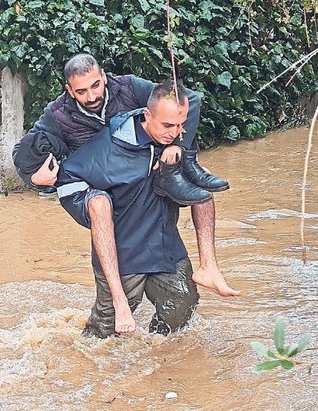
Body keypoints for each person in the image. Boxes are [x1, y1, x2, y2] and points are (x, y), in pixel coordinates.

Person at [13, 53, 238, 298]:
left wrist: (180, 147)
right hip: (103, 188)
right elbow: (22, 152)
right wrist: (34, 178)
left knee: (199, 180)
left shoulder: (129, 87)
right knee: (101, 208)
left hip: (146, 175)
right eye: (81, 91)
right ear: (69, 90)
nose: (91, 96)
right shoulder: (57, 115)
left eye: (95, 85)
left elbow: (188, 101)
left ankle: (209, 266)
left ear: (104, 77)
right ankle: (118, 306)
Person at [56, 81, 234, 337]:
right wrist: (91, 204)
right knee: (104, 336)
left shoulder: (176, 146)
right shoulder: (109, 148)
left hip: (165, 249)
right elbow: (68, 177)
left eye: (180, 125)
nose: (174, 133)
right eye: (167, 126)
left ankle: (158, 360)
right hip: (124, 255)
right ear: (147, 115)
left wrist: (179, 150)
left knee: (182, 311)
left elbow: (201, 192)